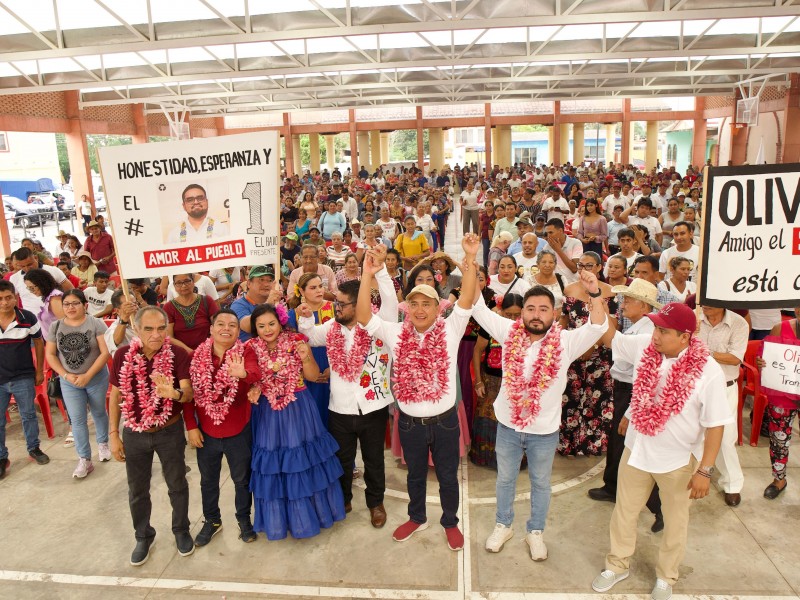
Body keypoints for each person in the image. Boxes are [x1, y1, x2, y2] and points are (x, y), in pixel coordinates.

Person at [592, 302, 731, 600]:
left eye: (663, 330)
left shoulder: (709, 372)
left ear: (685, 337)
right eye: (655, 327)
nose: (655, 335)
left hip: (678, 460)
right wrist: (595, 298)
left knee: (675, 522)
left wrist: (704, 470)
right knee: (624, 512)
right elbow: (610, 338)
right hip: (637, 450)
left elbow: (716, 424)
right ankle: (617, 565)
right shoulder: (647, 347)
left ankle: (666, 576)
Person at [471, 269, 608, 560]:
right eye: (530, 308)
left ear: (554, 313)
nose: (536, 314)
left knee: (540, 483)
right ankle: (503, 524)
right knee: (505, 479)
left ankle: (535, 531)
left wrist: (594, 292)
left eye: (543, 309)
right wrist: (471, 264)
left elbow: (597, 327)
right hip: (507, 426)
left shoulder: (566, 341)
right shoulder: (508, 333)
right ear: (522, 313)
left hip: (544, 432)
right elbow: (477, 308)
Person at [356, 234, 480, 551]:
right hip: (409, 423)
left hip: (445, 422)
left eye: (427, 303)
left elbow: (466, 299)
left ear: (438, 308)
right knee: (414, 476)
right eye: (415, 303)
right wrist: (368, 273)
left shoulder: (450, 329)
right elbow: (363, 317)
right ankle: (417, 516)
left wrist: (470, 257)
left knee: (449, 478)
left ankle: (450, 522)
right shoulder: (395, 332)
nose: (421, 309)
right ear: (406, 307)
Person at [297, 269, 397, 527]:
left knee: (374, 460)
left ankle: (376, 503)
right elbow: (309, 336)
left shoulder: (380, 325)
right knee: (341, 459)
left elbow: (391, 300)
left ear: (358, 304)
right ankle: (343, 499)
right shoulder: (332, 327)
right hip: (339, 410)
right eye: (336, 303)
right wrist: (306, 318)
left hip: (373, 408)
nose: (335, 307)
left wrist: (380, 272)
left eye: (341, 304)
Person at [246, 303, 346, 539]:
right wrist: (254, 387)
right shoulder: (249, 348)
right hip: (269, 412)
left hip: (299, 407)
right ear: (255, 329)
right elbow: (250, 377)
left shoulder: (296, 341)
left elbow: (312, 375)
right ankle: (281, 520)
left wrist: (306, 358)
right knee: (274, 464)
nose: (267, 329)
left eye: (271, 323)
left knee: (302, 460)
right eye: (261, 326)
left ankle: (314, 515)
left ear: (280, 322)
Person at [108, 305, 195, 566]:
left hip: (169, 430)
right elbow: (114, 396)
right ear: (136, 328)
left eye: (160, 328)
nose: (156, 334)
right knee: (137, 489)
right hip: (134, 432)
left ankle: (181, 530)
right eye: (148, 329)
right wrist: (113, 434)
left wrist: (174, 394)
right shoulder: (123, 355)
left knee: (177, 484)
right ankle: (143, 535)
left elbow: (188, 394)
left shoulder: (177, 353)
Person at [589, 278, 663, 532]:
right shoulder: (639, 326)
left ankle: (658, 505)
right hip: (624, 388)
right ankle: (612, 485)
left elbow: (611, 340)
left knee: (629, 445)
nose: (624, 303)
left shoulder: (646, 333)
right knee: (618, 441)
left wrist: (597, 300)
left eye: (629, 299)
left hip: (634, 391)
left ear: (644, 306)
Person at [185, 310, 261, 546]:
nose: (226, 328)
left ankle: (243, 519)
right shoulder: (196, 356)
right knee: (208, 480)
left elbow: (255, 372)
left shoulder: (244, 351)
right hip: (206, 431)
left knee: (242, 480)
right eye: (220, 324)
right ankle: (212, 521)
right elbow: (189, 395)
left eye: (232, 325)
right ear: (211, 328)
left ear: (239, 331)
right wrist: (191, 426)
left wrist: (244, 374)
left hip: (238, 430)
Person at [44, 289, 111, 479]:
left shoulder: (95, 323)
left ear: (85, 305)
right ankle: (84, 459)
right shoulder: (56, 326)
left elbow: (105, 352)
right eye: (67, 304)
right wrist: (65, 375)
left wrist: (88, 375)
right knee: (77, 419)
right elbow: (50, 354)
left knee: (98, 411)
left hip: (95, 377)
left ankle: (103, 443)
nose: (71, 307)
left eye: (75, 303)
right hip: (69, 381)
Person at [558, 252, 618, 456]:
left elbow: (611, 326)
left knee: (596, 401)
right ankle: (568, 444)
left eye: (589, 265)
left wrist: (590, 347)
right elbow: (565, 319)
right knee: (569, 400)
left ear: (600, 267)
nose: (584, 270)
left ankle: (593, 444)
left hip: (599, 356)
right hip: (573, 353)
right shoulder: (570, 289)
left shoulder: (610, 292)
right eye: (580, 265)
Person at [697, 304, 748, 507]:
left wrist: (703, 352)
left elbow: (735, 358)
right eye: (703, 301)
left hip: (724, 387)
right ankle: (692, 476)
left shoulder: (738, 323)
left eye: (712, 301)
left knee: (726, 438)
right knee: (693, 434)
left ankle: (732, 485)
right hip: (694, 386)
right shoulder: (694, 319)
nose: (705, 306)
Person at [0, 279, 48, 478]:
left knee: (28, 415)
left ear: (15, 297)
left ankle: (34, 449)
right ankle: (2, 458)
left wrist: (38, 372)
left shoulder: (27, 317)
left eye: (8, 297)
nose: (4, 302)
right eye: (0, 299)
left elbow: (38, 343)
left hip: (23, 376)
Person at [470, 293, 524, 468]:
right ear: (501, 311)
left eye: (518, 315)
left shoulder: (527, 327)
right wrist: (478, 381)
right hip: (491, 380)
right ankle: (487, 458)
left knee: (512, 420)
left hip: (515, 383)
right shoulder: (491, 325)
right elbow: (477, 351)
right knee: (488, 419)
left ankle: (512, 461)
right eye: (509, 314)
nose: (513, 319)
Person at [757, 304, 800, 499]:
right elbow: (766, 354)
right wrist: (761, 360)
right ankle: (779, 478)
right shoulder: (779, 328)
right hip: (783, 394)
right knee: (778, 438)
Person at [287, 273, 334, 426]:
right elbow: (289, 348)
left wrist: (332, 369)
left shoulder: (334, 309)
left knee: (333, 414)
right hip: (306, 369)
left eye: (320, 286)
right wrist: (304, 372)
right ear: (301, 291)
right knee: (311, 416)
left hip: (333, 366)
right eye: (313, 288)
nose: (319, 290)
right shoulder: (293, 314)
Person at [164, 273, 220, 355]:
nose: (183, 286)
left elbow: (218, 327)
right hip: (181, 355)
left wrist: (205, 349)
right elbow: (169, 337)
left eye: (187, 281)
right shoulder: (168, 307)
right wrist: (190, 352)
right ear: (174, 286)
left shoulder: (207, 301)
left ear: (193, 282)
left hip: (208, 352)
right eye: (179, 283)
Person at [10, 247, 73, 313]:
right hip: (31, 320)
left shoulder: (53, 270)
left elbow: (71, 291)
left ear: (36, 258)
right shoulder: (14, 278)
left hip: (55, 317)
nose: (27, 268)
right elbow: (14, 302)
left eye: (29, 264)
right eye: (22, 266)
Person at [231, 266, 279, 342]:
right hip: (249, 351)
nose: (266, 284)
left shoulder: (277, 303)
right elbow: (247, 326)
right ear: (249, 283)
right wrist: (268, 305)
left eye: (269, 281)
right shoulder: (238, 305)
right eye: (261, 280)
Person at [22, 268, 64, 338]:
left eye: (32, 288)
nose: (31, 291)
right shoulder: (49, 298)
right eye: (28, 288)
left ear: (42, 283)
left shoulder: (54, 298)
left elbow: (66, 323)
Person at [542, 218, 583, 284]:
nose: (548, 236)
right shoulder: (546, 247)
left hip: (573, 283)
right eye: (547, 233)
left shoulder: (576, 243)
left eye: (551, 232)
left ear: (560, 231)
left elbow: (574, 269)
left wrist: (558, 250)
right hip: (555, 285)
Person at [104, 289, 137, 355]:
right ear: (117, 311)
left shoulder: (144, 323)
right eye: (128, 306)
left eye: (135, 304)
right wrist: (124, 319)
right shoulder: (112, 329)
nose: (133, 308)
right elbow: (116, 340)